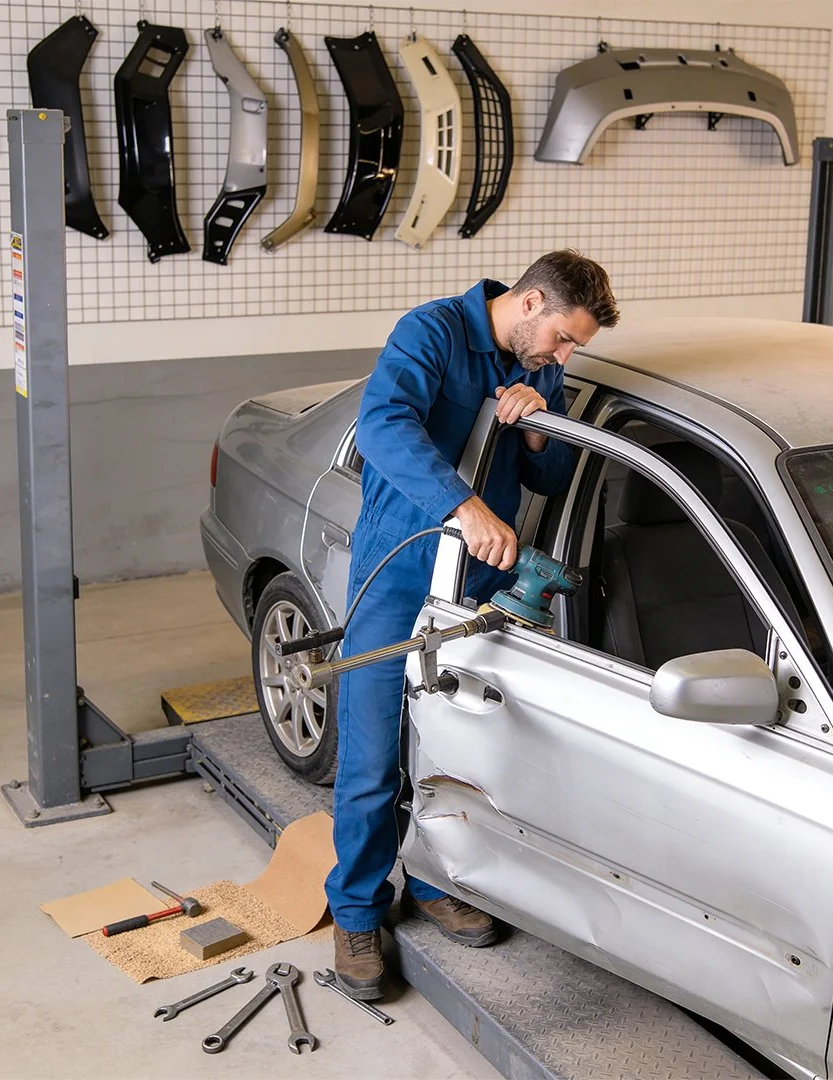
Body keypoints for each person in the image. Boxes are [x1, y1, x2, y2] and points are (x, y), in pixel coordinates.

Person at [327, 250, 620, 999]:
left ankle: (432, 879)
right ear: (528, 305)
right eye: (562, 338)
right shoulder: (430, 332)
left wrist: (536, 427)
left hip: (480, 582)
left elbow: (551, 480)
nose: (565, 354)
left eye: (573, 347)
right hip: (399, 570)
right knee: (371, 751)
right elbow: (383, 426)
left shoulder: (542, 369)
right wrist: (465, 506)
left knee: (455, 743)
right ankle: (357, 911)